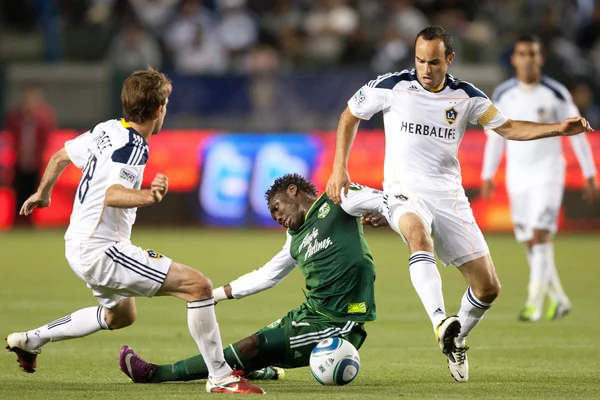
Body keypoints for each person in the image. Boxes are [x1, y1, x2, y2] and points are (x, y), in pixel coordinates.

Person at [325, 25, 592, 383]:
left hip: (449, 197)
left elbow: (509, 128)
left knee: (488, 287)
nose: (425, 68)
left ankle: (457, 337)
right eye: (419, 60)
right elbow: (349, 116)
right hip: (404, 190)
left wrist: (559, 128)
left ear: (449, 59)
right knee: (418, 237)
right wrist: (339, 167)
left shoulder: (466, 97)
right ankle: (440, 322)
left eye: (433, 62)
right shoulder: (392, 86)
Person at [4, 68, 264, 395]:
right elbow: (113, 194)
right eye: (165, 104)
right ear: (158, 110)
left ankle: (31, 340)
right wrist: (149, 196)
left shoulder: (107, 129)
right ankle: (221, 377)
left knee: (120, 316)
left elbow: (59, 157)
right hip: (103, 251)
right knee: (198, 286)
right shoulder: (134, 146)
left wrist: (43, 192)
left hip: (77, 245)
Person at [116, 174, 385, 384]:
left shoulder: (337, 199)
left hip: (340, 322)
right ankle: (254, 369)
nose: (277, 217)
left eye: (277, 207)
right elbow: (266, 276)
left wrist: (385, 213)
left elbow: (388, 200)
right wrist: (215, 295)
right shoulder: (294, 240)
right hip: (312, 313)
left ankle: (156, 373)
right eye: (272, 214)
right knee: (254, 343)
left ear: (293, 191)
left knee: (253, 346)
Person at [480, 35, 598, 322]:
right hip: (517, 176)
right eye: (522, 54)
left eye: (533, 54)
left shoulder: (556, 93)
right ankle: (559, 299)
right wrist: (487, 173)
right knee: (531, 241)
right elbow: (496, 136)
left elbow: (577, 131)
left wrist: (589, 173)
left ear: (540, 58)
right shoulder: (504, 94)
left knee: (540, 234)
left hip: (547, 173)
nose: (528, 59)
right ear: (514, 59)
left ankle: (533, 303)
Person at [4, 83, 56, 224]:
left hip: (36, 161)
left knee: (35, 192)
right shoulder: (17, 117)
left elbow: (46, 137)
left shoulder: (43, 116)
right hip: (20, 161)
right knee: (19, 193)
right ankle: (17, 222)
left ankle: (30, 222)